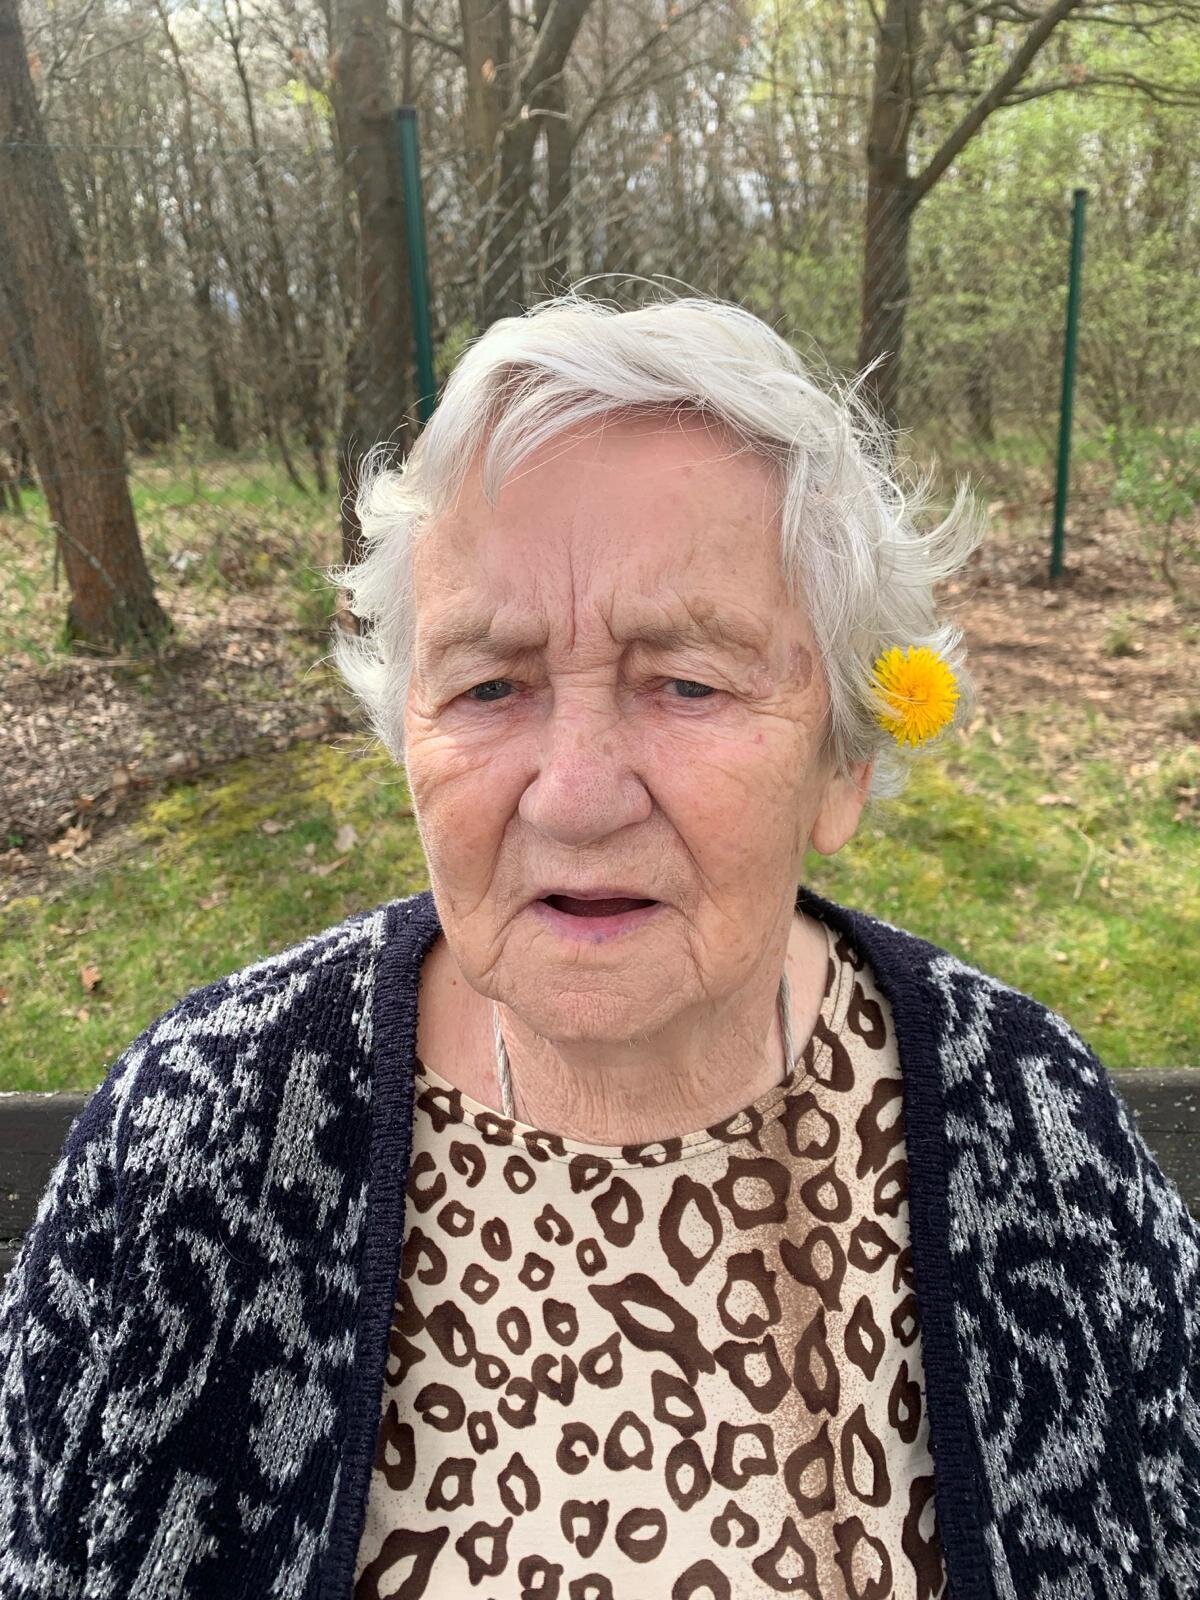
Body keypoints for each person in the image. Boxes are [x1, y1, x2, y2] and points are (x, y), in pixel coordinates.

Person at [0, 291, 1196, 1600]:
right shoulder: (204, 1133)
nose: (575, 796)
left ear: (842, 761)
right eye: (490, 684)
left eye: (687, 681)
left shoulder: (1032, 1132)